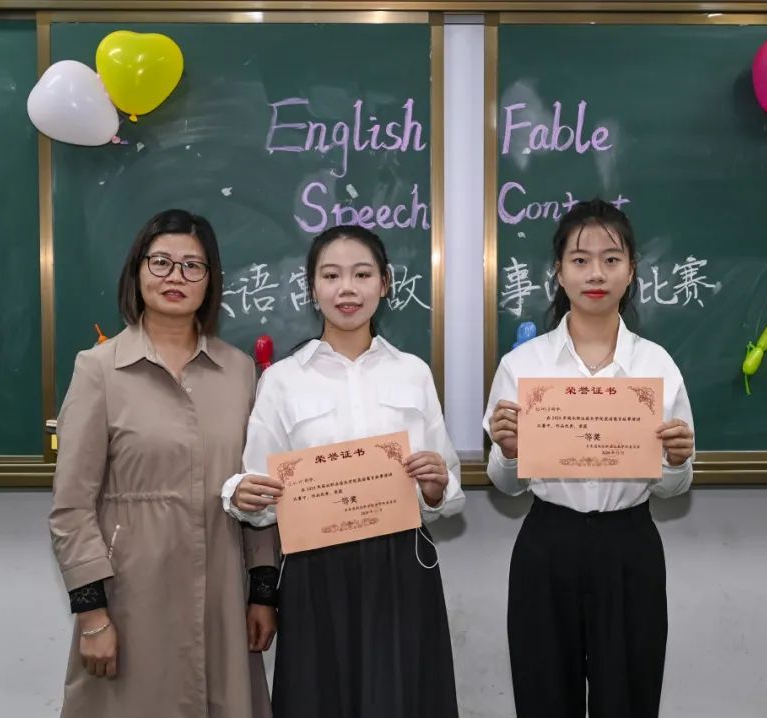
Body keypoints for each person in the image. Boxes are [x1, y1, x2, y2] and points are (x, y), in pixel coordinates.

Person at [223, 224, 464, 718]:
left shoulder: (413, 372)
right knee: (321, 698)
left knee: (402, 699)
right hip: (315, 569)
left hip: (401, 567)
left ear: (385, 283)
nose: (347, 289)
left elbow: (447, 493)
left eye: (362, 274)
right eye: (331, 276)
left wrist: (436, 488)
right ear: (312, 288)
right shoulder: (283, 380)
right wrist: (245, 494)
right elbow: (260, 496)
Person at [49, 209, 279, 718]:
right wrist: (92, 615)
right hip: (131, 596)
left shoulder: (240, 371)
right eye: (161, 262)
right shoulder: (99, 369)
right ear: (137, 271)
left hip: (223, 598)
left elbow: (258, 489)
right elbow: (71, 507)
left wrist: (263, 591)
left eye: (192, 266)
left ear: (210, 280)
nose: (176, 276)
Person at [484, 199, 695, 718]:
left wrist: (676, 460)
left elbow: (673, 490)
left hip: (629, 546)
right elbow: (507, 487)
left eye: (611, 259)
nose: (596, 273)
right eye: (580, 260)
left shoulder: (657, 365)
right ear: (558, 272)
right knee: (543, 696)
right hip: (547, 544)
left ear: (631, 271)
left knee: (628, 697)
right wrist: (509, 453)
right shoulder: (522, 365)